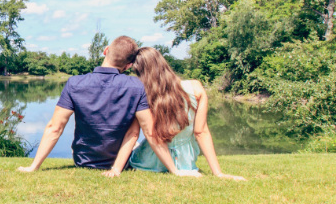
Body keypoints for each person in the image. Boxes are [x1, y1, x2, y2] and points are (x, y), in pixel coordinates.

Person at [18, 36, 198, 176]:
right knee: (135, 142)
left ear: (105, 51)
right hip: (121, 161)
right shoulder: (136, 86)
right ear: (128, 65)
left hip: (83, 161)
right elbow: (147, 132)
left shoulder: (74, 83)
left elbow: (54, 128)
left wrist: (34, 166)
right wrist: (175, 171)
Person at [105, 47, 245, 180]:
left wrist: (116, 168)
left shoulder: (143, 96)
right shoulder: (195, 88)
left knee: (136, 144)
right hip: (185, 163)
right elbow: (201, 132)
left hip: (148, 162)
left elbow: (134, 134)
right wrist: (218, 173)